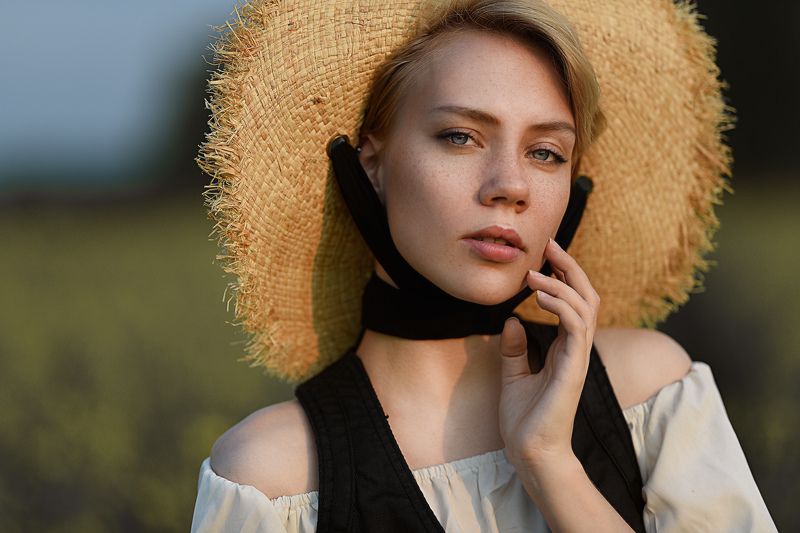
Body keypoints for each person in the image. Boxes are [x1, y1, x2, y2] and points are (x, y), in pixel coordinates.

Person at [191, 0, 777, 531]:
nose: (511, 186)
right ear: (372, 163)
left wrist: (551, 465)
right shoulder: (274, 480)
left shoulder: (651, 395)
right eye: (461, 137)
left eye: (545, 152)